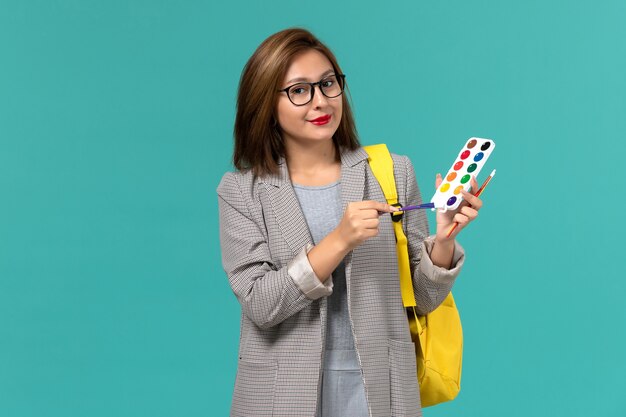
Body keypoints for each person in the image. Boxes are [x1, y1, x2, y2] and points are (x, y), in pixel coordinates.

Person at [217, 27, 483, 417]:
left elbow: (423, 300)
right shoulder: (242, 191)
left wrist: (443, 241)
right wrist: (339, 240)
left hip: (380, 392)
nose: (320, 101)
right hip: (280, 397)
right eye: (299, 90)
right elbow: (260, 303)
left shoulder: (391, 172)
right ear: (266, 103)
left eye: (328, 84)